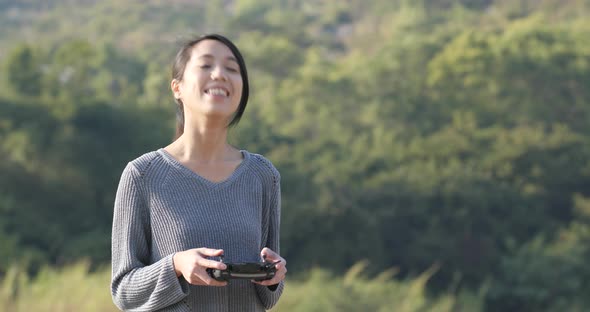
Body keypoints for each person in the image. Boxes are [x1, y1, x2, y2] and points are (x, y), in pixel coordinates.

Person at [110, 34, 286, 312]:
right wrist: (176, 266)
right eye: (206, 66)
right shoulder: (142, 175)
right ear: (177, 88)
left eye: (231, 69)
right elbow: (124, 291)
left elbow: (268, 298)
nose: (220, 74)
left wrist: (274, 278)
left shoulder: (262, 175)